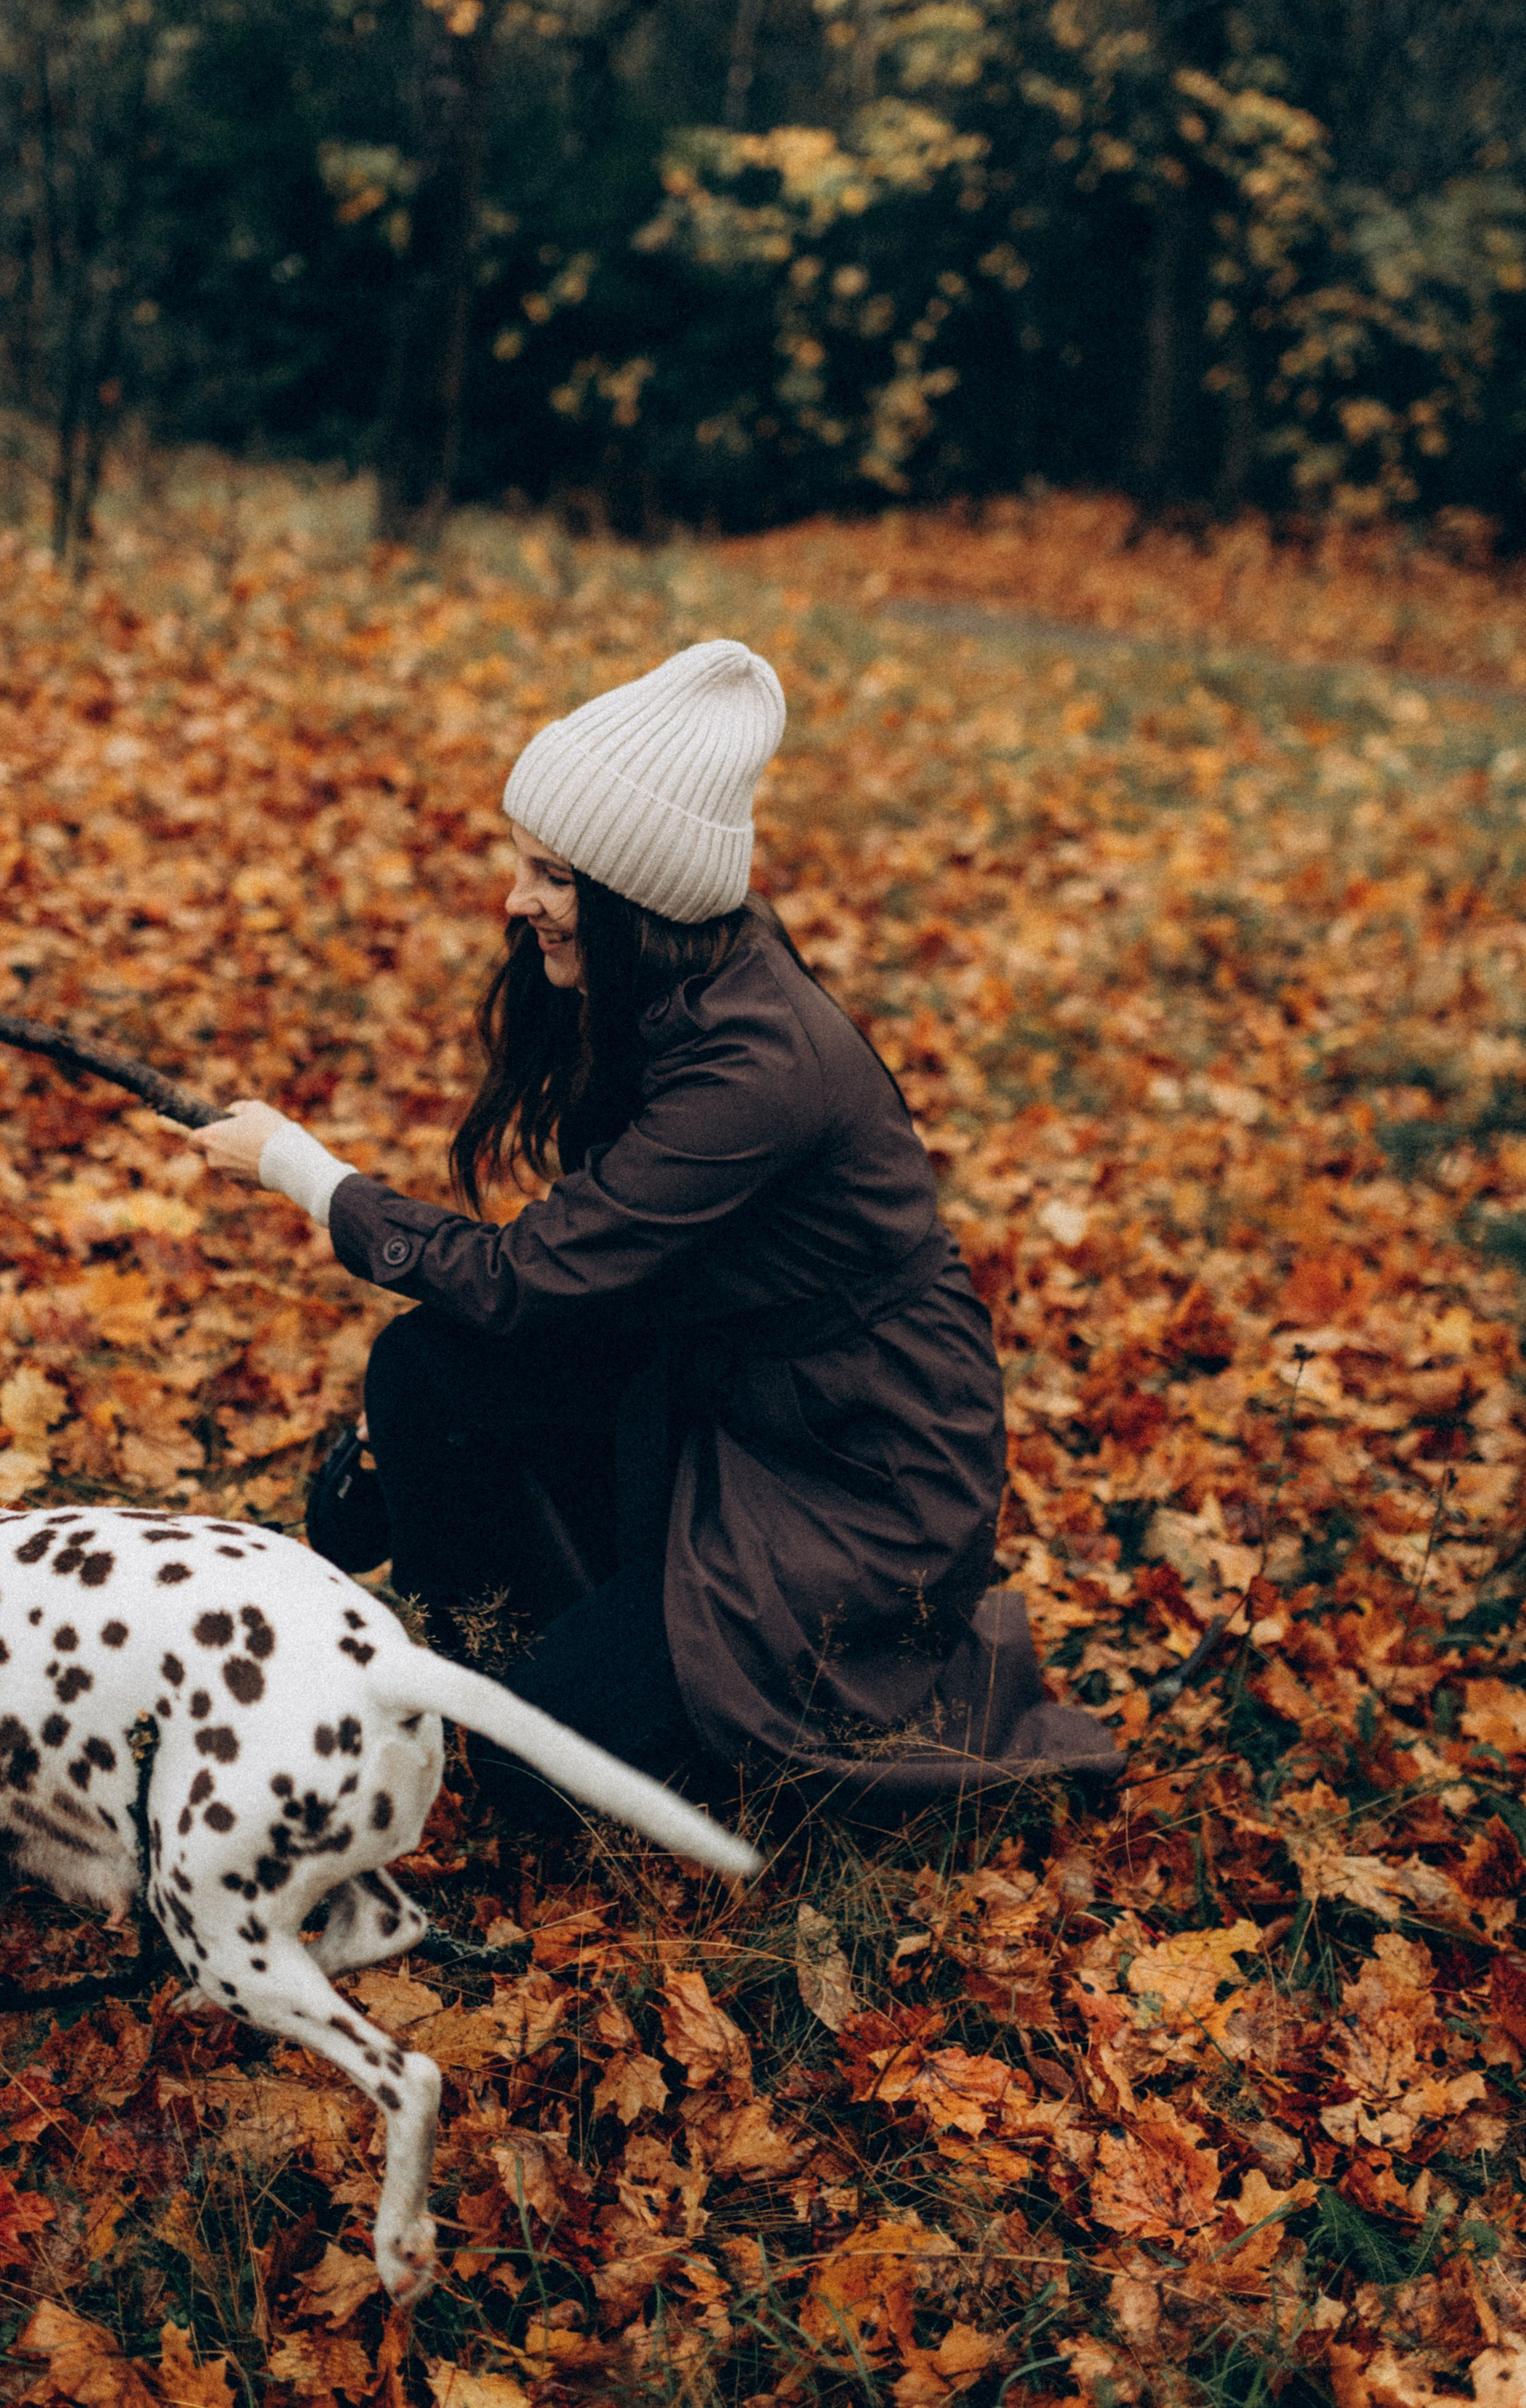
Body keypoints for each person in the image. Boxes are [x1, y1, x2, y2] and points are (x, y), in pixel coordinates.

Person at [186, 638, 1122, 1828]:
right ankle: (497, 1666)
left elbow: (525, 1278)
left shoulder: (760, 1066)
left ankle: (635, 1706)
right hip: (713, 1389)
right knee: (428, 1368)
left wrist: (305, 1173)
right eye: (524, 865)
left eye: (554, 878)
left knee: (538, 1786)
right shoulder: (662, 990)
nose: (518, 902)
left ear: (638, 896)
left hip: (852, 1469)